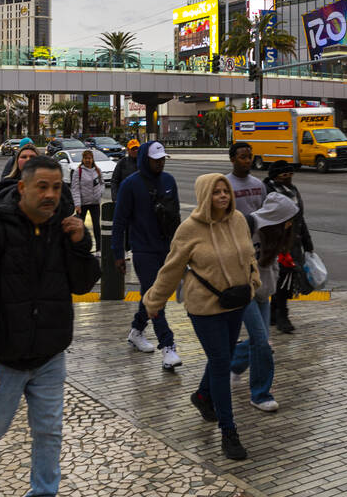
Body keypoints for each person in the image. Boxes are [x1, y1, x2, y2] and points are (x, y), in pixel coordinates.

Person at [0, 155, 93, 497]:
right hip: (3, 353)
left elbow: (83, 284)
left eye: (57, 188)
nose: (50, 195)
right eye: (42, 187)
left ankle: (44, 492)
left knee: (49, 430)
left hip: (49, 353)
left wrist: (81, 245)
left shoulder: (62, 226)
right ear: (22, 187)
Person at [142, 174, 259, 461]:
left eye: (226, 191)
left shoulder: (239, 221)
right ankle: (228, 432)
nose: (223, 196)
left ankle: (203, 396)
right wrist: (153, 301)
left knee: (225, 355)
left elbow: (250, 255)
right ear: (205, 195)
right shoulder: (189, 229)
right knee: (221, 363)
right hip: (205, 308)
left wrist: (253, 281)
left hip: (236, 302)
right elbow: (171, 269)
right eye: (216, 192)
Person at [112, 141, 182, 369]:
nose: (160, 163)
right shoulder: (130, 185)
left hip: (167, 249)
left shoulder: (169, 181)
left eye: (163, 158)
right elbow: (119, 221)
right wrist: (118, 253)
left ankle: (136, 331)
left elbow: (176, 217)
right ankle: (168, 347)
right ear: (145, 159)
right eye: (156, 159)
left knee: (149, 294)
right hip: (143, 250)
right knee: (156, 296)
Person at [231, 193, 297, 413]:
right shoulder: (248, 227)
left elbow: (270, 267)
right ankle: (260, 395)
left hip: (262, 290)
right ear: (276, 218)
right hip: (244, 289)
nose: (290, 224)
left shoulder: (275, 233)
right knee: (261, 342)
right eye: (287, 219)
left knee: (260, 339)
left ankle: (233, 365)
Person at [263, 161, 314, 333]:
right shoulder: (268, 192)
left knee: (286, 279)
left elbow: (300, 218)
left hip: (294, 242)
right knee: (282, 279)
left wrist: (308, 242)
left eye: (290, 174)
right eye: (284, 175)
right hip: (277, 244)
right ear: (275, 177)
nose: (288, 178)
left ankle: (273, 312)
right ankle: (281, 316)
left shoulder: (293, 190)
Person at [70, 149, 105, 251]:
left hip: (95, 203)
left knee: (96, 227)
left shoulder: (97, 170)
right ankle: (79, 248)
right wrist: (77, 204)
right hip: (82, 204)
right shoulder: (78, 171)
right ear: (83, 159)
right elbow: (75, 189)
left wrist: (100, 193)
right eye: (85, 158)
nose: (88, 160)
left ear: (92, 159)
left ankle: (99, 248)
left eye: (89, 158)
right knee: (80, 226)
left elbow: (102, 183)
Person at [226, 142, 265, 217]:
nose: (248, 161)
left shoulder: (259, 184)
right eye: (243, 157)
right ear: (232, 160)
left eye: (250, 157)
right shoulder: (225, 184)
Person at [110, 139, 140, 203]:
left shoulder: (143, 162)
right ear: (128, 150)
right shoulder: (122, 163)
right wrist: (115, 198)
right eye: (133, 149)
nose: (135, 151)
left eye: (137, 148)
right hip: (125, 199)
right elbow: (114, 181)